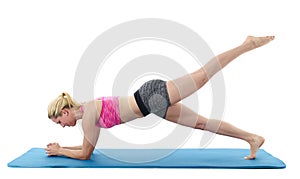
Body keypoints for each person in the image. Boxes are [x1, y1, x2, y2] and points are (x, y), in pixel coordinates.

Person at [46, 35, 275, 160]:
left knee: (203, 76)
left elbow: (86, 154)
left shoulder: (88, 116)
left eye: (59, 122)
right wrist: (63, 149)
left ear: (65, 112)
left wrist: (60, 151)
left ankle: (247, 44)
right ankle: (252, 138)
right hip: (152, 104)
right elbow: (86, 146)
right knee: (202, 123)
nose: (62, 126)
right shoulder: (86, 113)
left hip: (150, 96)